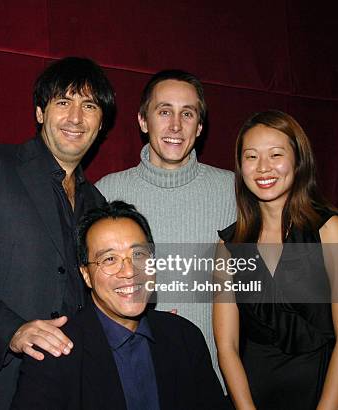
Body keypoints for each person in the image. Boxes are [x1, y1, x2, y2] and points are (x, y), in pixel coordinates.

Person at [0, 57, 114, 409]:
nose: (76, 118)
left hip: (75, 386)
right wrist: (10, 330)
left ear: (101, 123)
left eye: (89, 106)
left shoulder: (99, 204)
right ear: (40, 112)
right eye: (63, 102)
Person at [11, 201, 229, 409]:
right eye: (109, 259)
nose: (129, 271)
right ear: (86, 274)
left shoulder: (184, 337)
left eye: (139, 254)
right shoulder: (54, 353)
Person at [213, 110, 338, 409]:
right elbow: (227, 347)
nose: (263, 167)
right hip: (257, 396)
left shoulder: (330, 231)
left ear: (298, 161)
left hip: (327, 394)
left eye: (276, 154)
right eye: (251, 156)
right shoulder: (227, 246)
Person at [95, 69, 235, 387]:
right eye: (164, 111)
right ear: (144, 121)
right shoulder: (104, 193)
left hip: (213, 384)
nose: (175, 125)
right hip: (131, 384)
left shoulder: (233, 192)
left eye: (187, 113)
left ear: (199, 127)